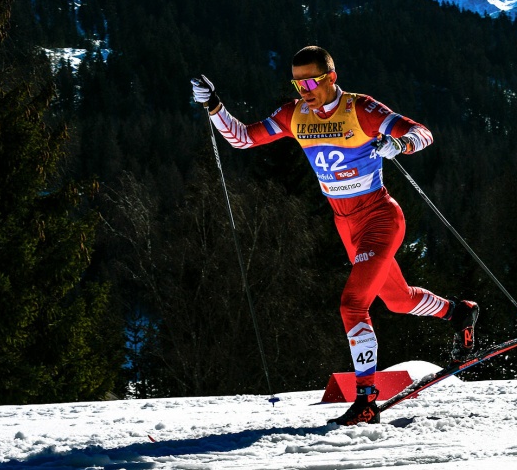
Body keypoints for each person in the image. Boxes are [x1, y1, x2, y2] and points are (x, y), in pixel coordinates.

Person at [192, 45, 479, 425]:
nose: (303, 89)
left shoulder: (360, 108)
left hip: (380, 218)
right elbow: (243, 138)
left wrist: (400, 143)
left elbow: (422, 133)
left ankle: (365, 400)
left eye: (310, 80)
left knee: (352, 304)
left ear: (331, 76)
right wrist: (214, 105)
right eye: (296, 82)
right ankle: (459, 312)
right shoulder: (294, 114)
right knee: (397, 299)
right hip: (346, 224)